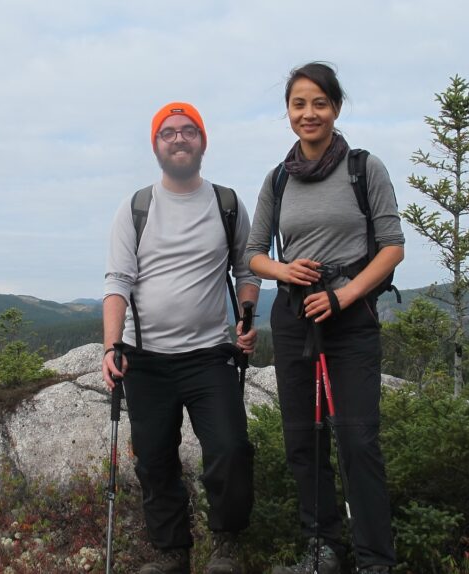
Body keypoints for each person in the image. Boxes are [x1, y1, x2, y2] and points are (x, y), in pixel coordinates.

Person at [244, 62, 403, 574]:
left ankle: (375, 561)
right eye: (299, 104)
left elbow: (392, 247)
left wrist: (344, 296)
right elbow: (254, 254)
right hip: (295, 318)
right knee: (303, 440)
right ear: (288, 112)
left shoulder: (364, 168)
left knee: (357, 440)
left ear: (335, 108)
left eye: (319, 103)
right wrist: (284, 269)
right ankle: (323, 551)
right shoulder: (278, 178)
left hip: (350, 319)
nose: (308, 113)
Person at [103, 102, 261, 574]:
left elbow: (247, 268)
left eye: (189, 131)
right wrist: (112, 346)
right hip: (146, 359)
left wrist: (246, 317)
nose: (179, 138)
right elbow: (118, 282)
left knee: (230, 449)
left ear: (202, 141)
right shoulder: (136, 208)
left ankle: (226, 546)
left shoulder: (226, 204)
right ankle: (172, 554)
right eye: (168, 132)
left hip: (210, 355)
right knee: (154, 460)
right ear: (156, 145)